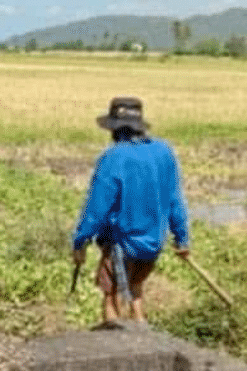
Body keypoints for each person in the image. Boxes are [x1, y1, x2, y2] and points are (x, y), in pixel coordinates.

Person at [69, 97, 190, 326]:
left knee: (110, 296)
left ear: (115, 129)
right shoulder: (164, 152)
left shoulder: (113, 157)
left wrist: (80, 242)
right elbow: (175, 200)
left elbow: (97, 209)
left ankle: (115, 338)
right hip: (153, 244)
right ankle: (142, 330)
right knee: (136, 291)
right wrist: (182, 239)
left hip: (121, 243)